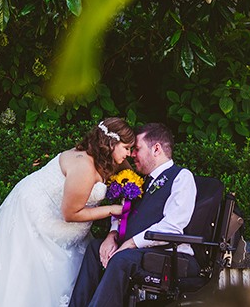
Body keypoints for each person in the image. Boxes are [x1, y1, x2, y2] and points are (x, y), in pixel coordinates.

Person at [0, 118, 136, 307]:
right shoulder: (84, 167)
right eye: (127, 148)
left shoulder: (106, 158)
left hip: (63, 222)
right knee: (26, 281)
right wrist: (112, 210)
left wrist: (133, 186)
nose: (129, 154)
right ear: (111, 143)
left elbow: (131, 176)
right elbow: (70, 214)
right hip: (36, 216)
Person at [68, 122, 197, 307]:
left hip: (169, 255)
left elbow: (173, 225)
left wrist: (131, 243)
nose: (132, 155)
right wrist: (112, 235)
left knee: (122, 260)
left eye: (137, 149)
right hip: (137, 251)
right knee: (95, 249)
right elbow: (123, 211)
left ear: (156, 149)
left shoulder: (182, 177)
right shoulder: (138, 181)